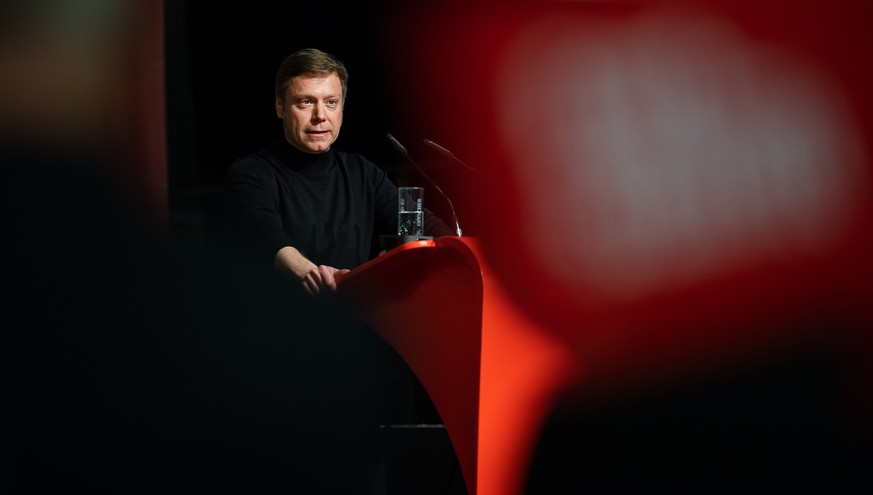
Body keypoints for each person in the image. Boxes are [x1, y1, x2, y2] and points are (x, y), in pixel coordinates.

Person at [224, 48, 453, 296]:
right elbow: (263, 233)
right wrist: (311, 273)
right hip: (283, 322)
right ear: (280, 107)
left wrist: (465, 254)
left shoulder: (362, 173)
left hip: (358, 320)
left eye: (330, 102)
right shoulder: (252, 173)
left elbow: (423, 224)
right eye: (306, 101)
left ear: (342, 109)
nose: (320, 116)